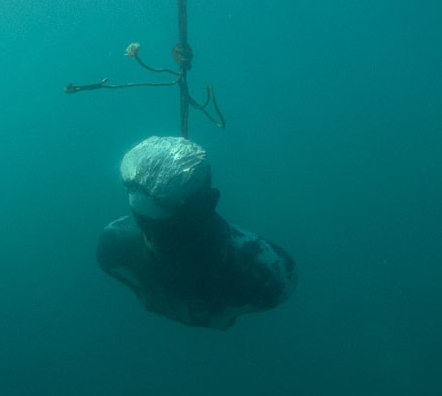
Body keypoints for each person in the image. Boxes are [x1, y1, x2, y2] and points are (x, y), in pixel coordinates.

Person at [97, 136, 297, 331]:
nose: (153, 240)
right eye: (142, 223)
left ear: (209, 203)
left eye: (168, 230)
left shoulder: (267, 275)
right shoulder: (115, 248)